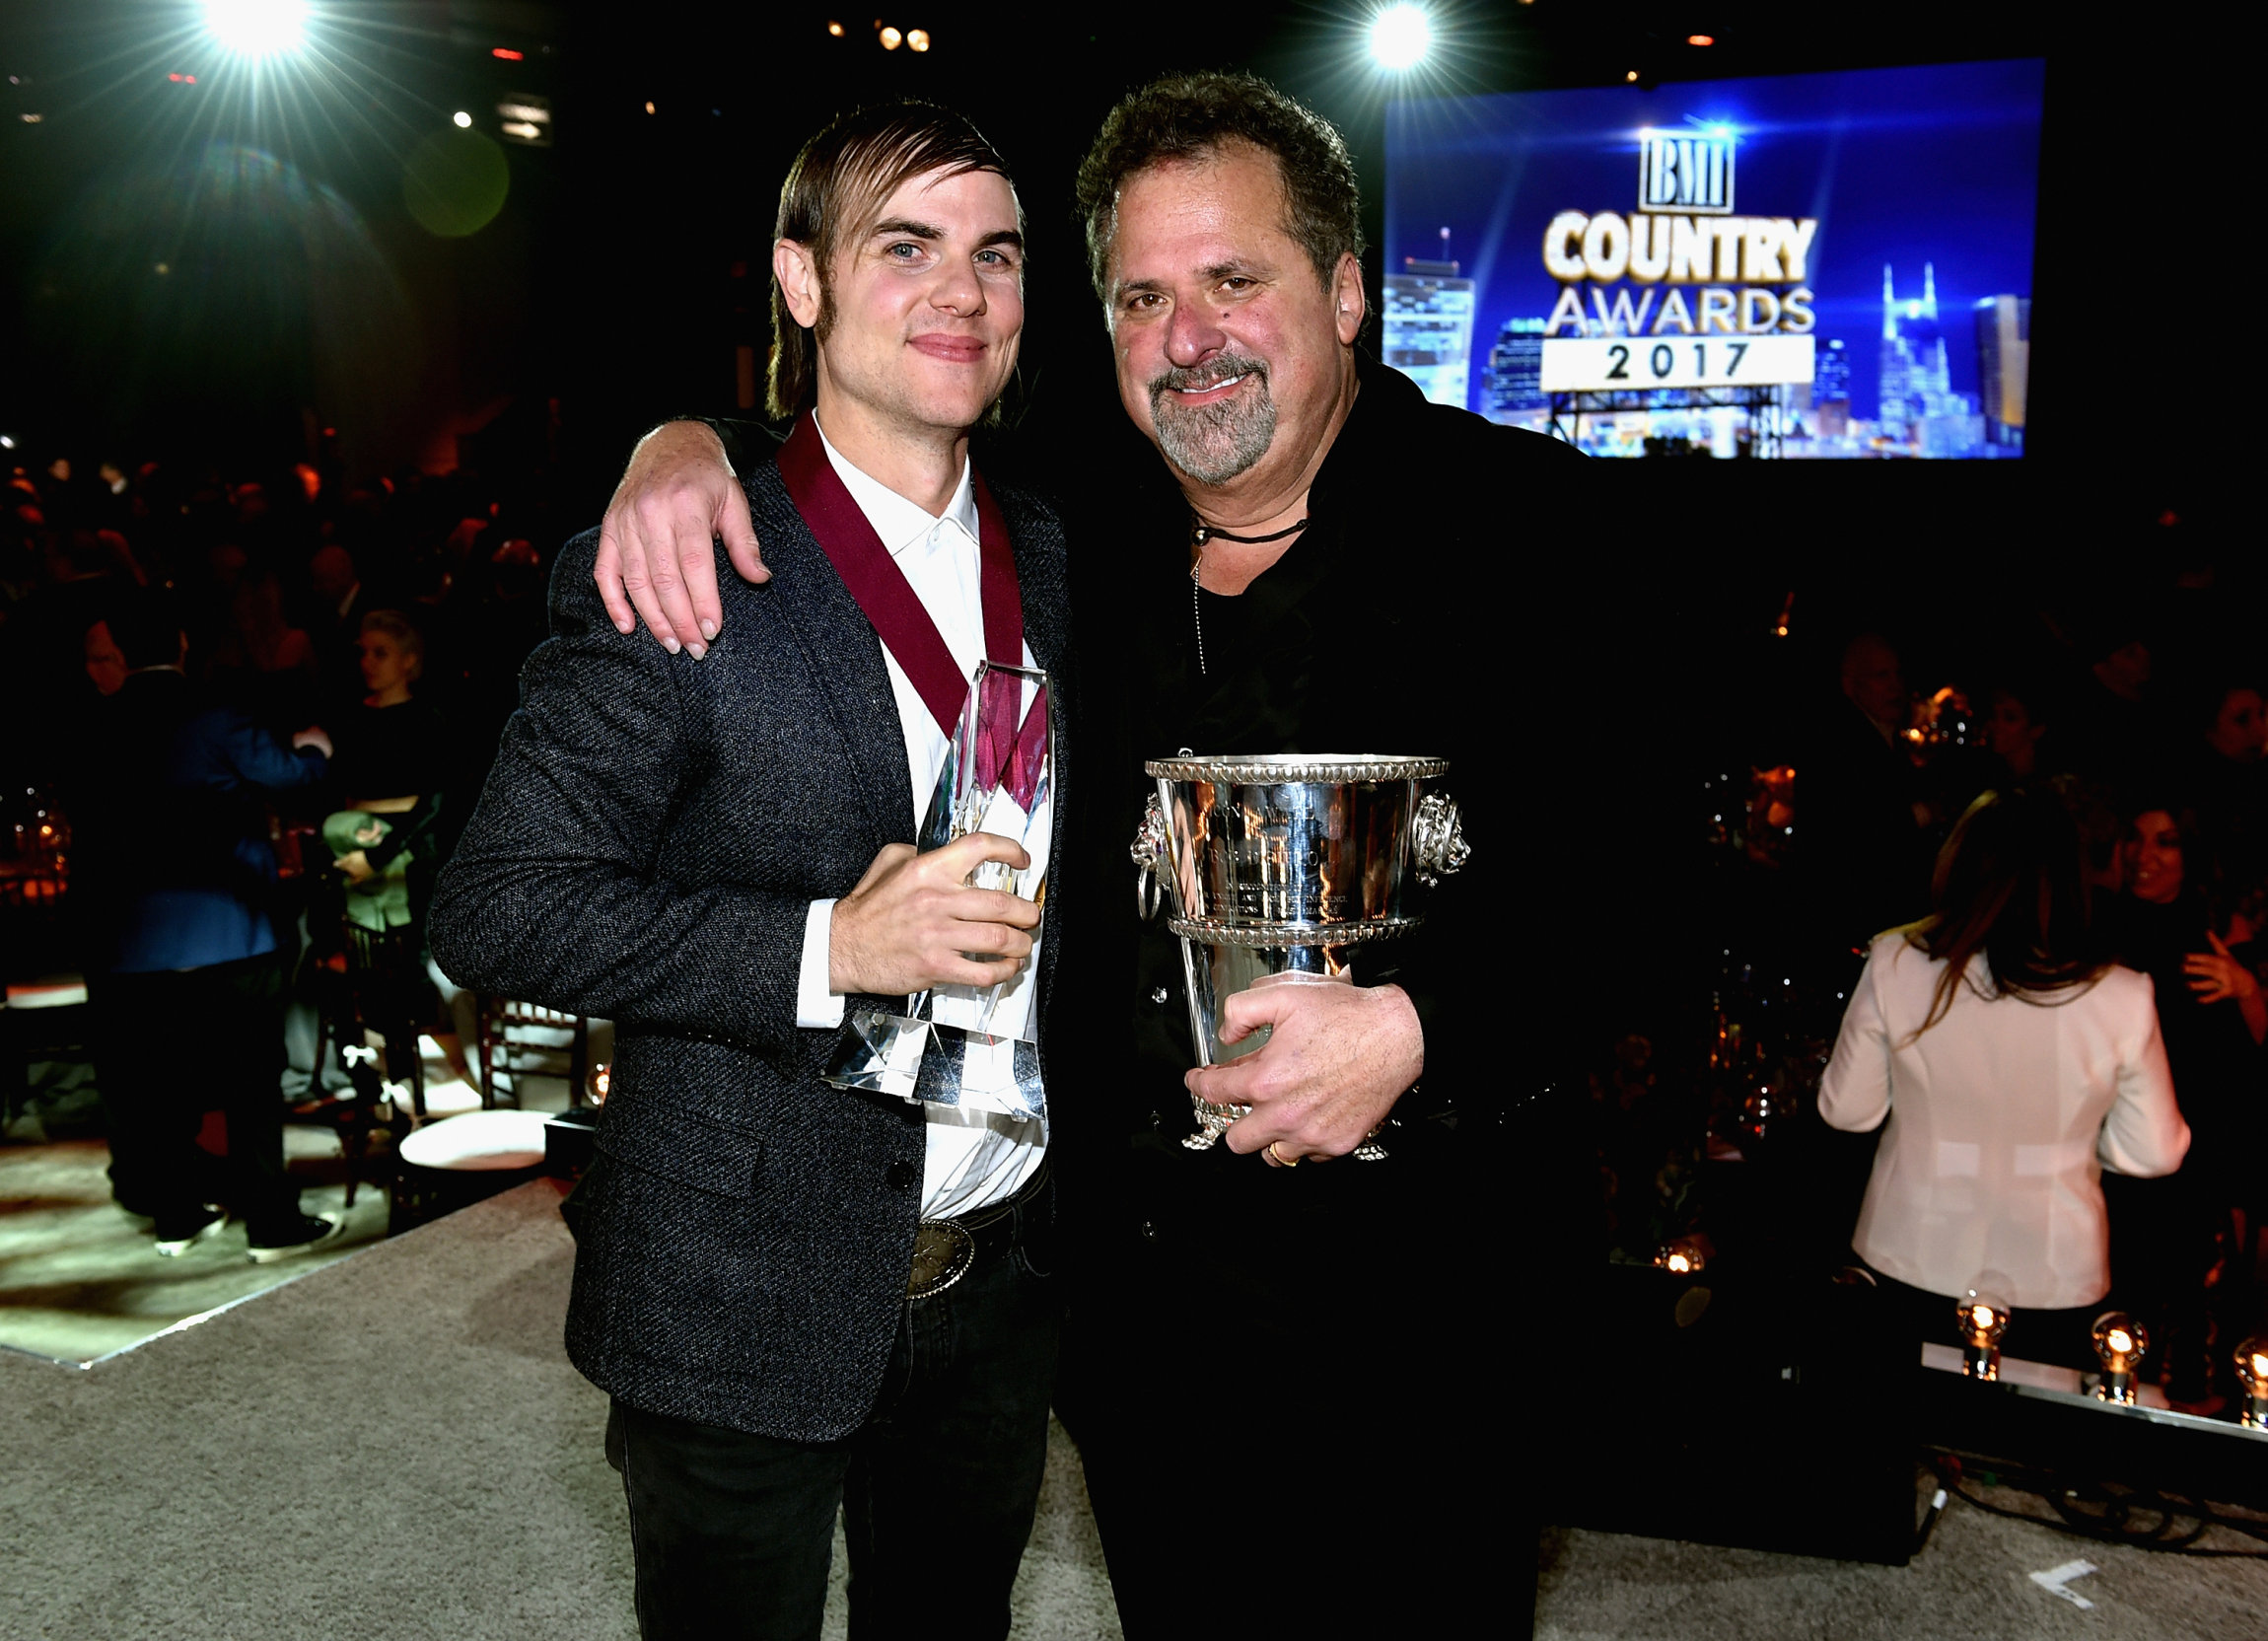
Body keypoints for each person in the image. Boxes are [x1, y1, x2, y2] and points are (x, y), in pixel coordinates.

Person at [589, 71, 1595, 1639]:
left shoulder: (1539, 534)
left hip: (1429, 1333)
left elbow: (1668, 899)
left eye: (1234, 280)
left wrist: (1425, 1028)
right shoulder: (1081, 532)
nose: (1188, 336)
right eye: (1142, 295)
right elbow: (876, 419)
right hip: (1137, 1339)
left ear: (1343, 290)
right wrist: (689, 442)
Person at [429, 103, 1070, 1641]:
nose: (961, 294)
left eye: (996, 253)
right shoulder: (681, 556)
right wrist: (823, 949)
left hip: (1000, 1275)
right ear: (801, 282)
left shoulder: (1055, 553)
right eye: (903, 248)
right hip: (731, 1279)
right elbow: (496, 905)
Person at [1817, 789, 2190, 1370]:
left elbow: (1846, 1111)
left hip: (1908, 1250)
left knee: (1899, 1439)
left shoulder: (1895, 959)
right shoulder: (2122, 994)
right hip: (2055, 1270)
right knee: (2027, 1452)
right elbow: (2154, 1153)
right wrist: (2076, 1145)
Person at [64, 590, 345, 1261]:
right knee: (251, 1079)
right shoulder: (213, 713)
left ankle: (177, 1214)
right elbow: (288, 780)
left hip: (135, 943)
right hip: (229, 930)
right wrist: (316, 750)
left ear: (123, 655)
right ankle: (269, 1221)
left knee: (156, 1084)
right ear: (183, 644)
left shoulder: (95, 726)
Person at [2099, 801, 2264, 1404]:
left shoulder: (2221, 925)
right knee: (2121, 1295)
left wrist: (2247, 988)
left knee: (2193, 1308)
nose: (2146, 857)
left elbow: (2258, 1041)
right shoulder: (2099, 925)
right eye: (2135, 840)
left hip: (2204, 1141)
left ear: (2189, 854)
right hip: (2118, 1138)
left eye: (2164, 843)